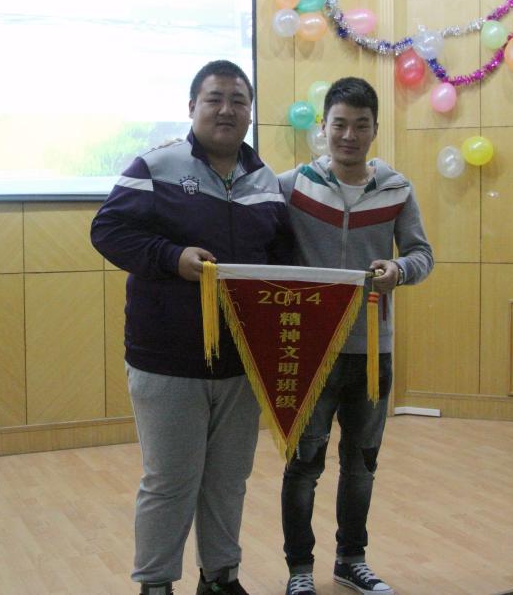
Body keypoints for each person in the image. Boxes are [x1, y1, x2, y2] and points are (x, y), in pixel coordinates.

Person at [91, 60, 293, 595]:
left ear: (250, 112)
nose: (227, 109)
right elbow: (108, 230)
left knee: (228, 480)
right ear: (191, 107)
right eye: (214, 98)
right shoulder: (155, 166)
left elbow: (280, 260)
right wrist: (172, 256)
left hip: (241, 361)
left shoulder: (265, 180)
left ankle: (221, 577)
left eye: (238, 100)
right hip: (167, 357)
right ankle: (156, 584)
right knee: (171, 480)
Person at [276, 77, 433, 595]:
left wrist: (399, 270)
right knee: (304, 466)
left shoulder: (397, 188)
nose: (349, 135)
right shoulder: (291, 186)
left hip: (372, 352)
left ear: (375, 129)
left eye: (360, 126)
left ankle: (351, 560)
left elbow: (422, 254)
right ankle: (300, 570)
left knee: (361, 465)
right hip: (310, 351)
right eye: (339, 124)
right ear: (322, 127)